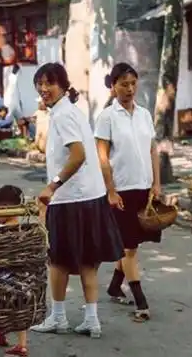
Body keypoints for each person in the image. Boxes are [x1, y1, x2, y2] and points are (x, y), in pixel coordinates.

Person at [30, 62, 124, 338]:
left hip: (71, 198)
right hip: (88, 196)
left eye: (50, 83)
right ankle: (91, 321)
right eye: (40, 83)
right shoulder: (71, 112)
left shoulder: (62, 115)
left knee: (57, 261)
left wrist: (53, 185)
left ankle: (58, 317)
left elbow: (79, 154)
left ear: (63, 85)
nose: (44, 89)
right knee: (87, 261)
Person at [94, 63, 161, 323]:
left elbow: (153, 149)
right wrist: (110, 190)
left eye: (133, 83)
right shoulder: (107, 117)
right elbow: (102, 156)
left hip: (143, 188)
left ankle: (114, 286)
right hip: (120, 191)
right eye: (123, 84)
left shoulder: (144, 114)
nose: (129, 89)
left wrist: (156, 183)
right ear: (113, 87)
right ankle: (141, 302)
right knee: (129, 248)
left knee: (132, 244)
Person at [0, 185, 29, 356]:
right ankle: (21, 344)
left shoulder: (0, 231)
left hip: (3, 279)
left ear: (4, 209)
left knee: (0, 306)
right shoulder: (25, 230)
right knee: (19, 309)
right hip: (25, 280)